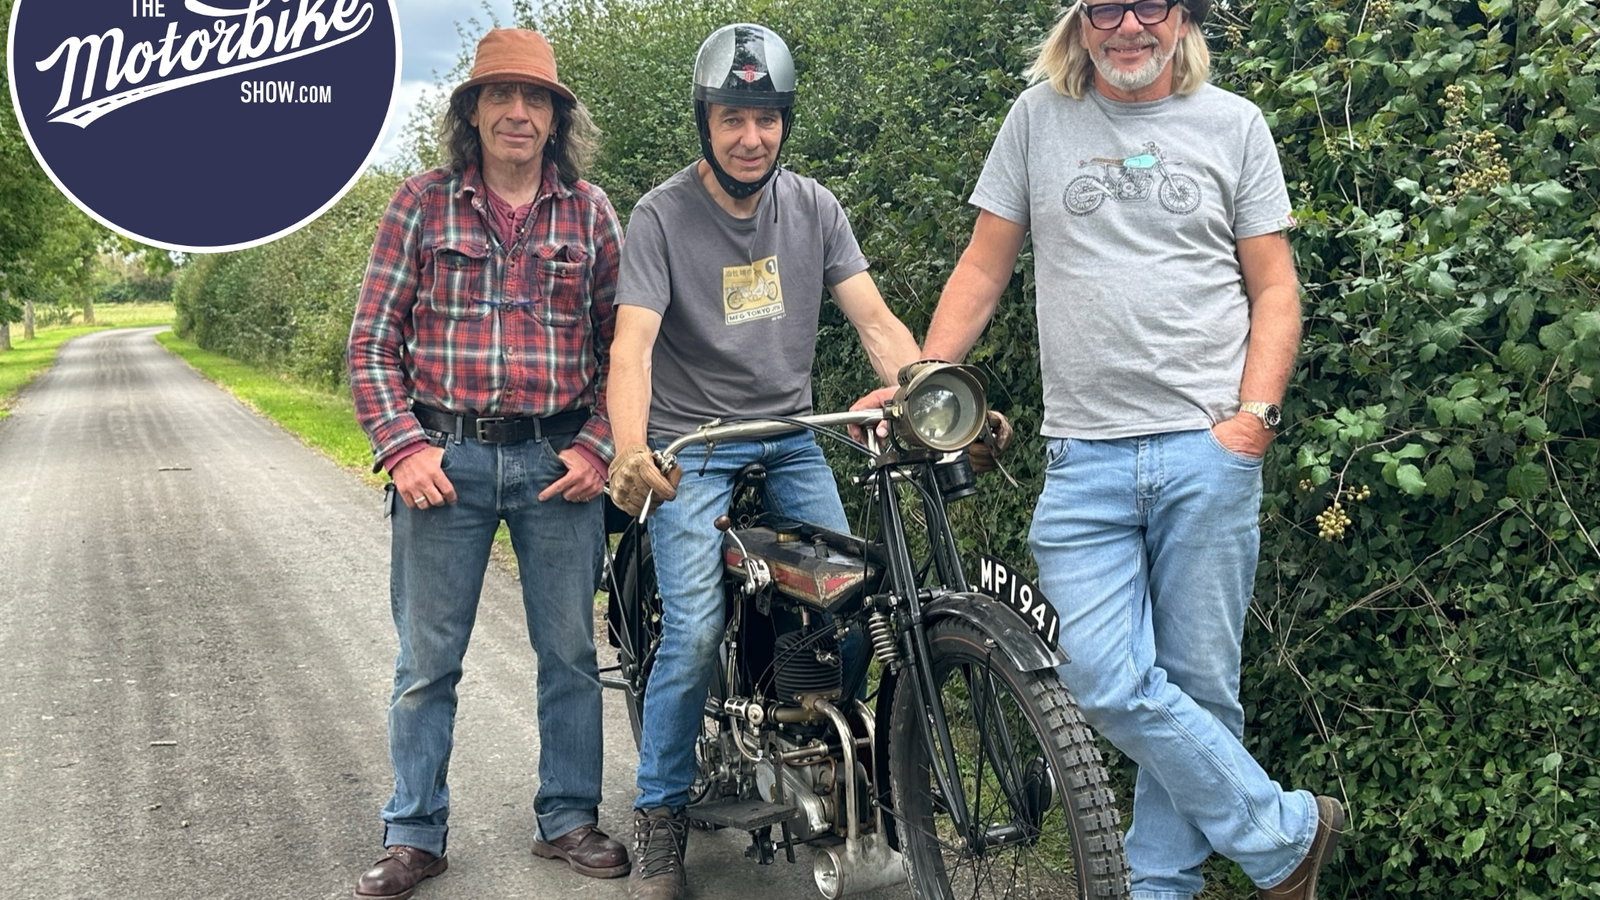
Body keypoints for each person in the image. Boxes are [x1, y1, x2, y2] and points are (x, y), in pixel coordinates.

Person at [912, 2, 1347, 899]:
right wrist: (925, 376)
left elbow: (1275, 287)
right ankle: (1284, 832)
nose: (1128, 26)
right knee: (1107, 683)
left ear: (1180, 18)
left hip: (1206, 448)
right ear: (1078, 22)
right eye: (1104, 7)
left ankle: (1161, 888)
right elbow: (985, 264)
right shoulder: (1036, 118)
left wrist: (1253, 419)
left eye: (1148, 4)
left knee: (1200, 688)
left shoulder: (1236, 124)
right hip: (1086, 458)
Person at [603, 23, 923, 900]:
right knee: (697, 627)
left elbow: (875, 322)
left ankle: (820, 757)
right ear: (704, 121)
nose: (751, 137)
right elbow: (632, 348)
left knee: (847, 605)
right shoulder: (662, 215)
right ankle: (661, 814)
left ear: (786, 122)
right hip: (691, 445)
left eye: (767, 119)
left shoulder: (814, 208)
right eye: (733, 117)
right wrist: (632, 450)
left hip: (788, 432)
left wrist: (927, 391)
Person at [346, 28, 628, 900]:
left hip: (558, 462)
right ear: (471, 111)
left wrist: (598, 443)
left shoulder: (591, 212)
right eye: (499, 97)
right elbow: (369, 345)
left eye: (534, 99)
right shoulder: (420, 205)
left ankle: (569, 818)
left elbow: (630, 348)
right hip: (445, 460)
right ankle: (414, 833)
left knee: (570, 654)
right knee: (426, 661)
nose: (517, 113)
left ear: (555, 118)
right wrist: (402, 448)